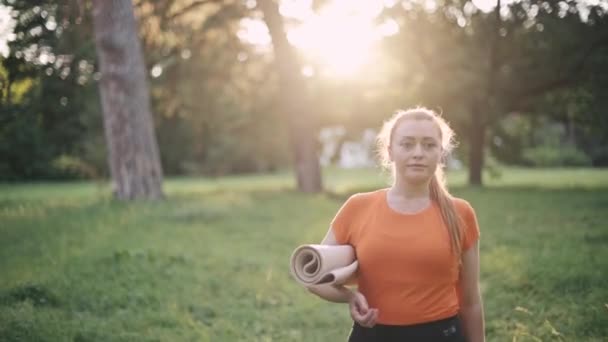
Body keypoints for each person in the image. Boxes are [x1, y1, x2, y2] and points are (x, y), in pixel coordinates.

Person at [307, 108, 485, 341]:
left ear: (441, 153)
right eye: (407, 144)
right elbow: (314, 276)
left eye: (429, 145)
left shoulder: (460, 213)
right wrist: (349, 297)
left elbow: (470, 302)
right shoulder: (358, 207)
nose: (418, 153)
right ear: (390, 151)